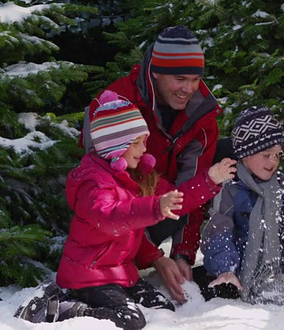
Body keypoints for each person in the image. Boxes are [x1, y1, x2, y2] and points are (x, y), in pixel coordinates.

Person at [14, 91, 236, 329]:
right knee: (131, 320)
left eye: (144, 141)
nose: (144, 149)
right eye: (137, 143)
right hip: (90, 276)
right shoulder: (94, 182)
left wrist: (211, 179)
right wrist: (154, 207)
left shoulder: (136, 174)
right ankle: (58, 307)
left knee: (163, 308)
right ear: (115, 146)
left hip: (120, 273)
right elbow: (110, 217)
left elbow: (177, 200)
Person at [80, 25, 229, 303]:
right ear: (156, 73)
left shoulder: (202, 117)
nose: (188, 89)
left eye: (195, 79)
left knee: (228, 155)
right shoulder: (114, 106)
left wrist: (183, 253)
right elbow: (106, 191)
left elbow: (190, 194)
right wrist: (154, 258)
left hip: (164, 206)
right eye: (180, 79)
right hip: (121, 212)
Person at [199, 106, 284, 305]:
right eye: (266, 154)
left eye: (278, 155)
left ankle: (281, 279)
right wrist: (225, 269)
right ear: (245, 154)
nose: (273, 161)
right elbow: (218, 232)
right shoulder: (229, 189)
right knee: (219, 289)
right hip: (238, 268)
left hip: (279, 271)